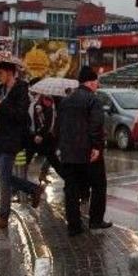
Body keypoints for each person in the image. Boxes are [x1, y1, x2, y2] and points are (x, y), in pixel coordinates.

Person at [0, 62, 44, 229]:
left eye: (0, 73)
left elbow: (20, 116)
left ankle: (3, 215)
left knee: (3, 177)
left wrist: (0, 104)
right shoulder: (1, 90)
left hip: (12, 139)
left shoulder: (21, 90)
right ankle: (33, 189)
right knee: (2, 176)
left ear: (10, 73)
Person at [57, 66, 111, 236]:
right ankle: (95, 221)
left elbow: (58, 127)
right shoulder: (92, 100)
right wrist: (96, 146)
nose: (97, 85)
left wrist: (61, 147)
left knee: (71, 188)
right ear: (91, 81)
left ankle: (74, 226)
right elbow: (96, 124)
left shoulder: (66, 100)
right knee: (98, 185)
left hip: (68, 153)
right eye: (96, 82)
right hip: (88, 152)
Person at [31, 94, 63, 183]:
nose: (49, 101)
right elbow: (42, 124)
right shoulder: (39, 107)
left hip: (52, 136)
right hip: (47, 138)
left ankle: (43, 174)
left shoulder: (53, 105)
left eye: (50, 100)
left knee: (53, 158)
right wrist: (40, 134)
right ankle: (68, 179)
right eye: (46, 99)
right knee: (54, 158)